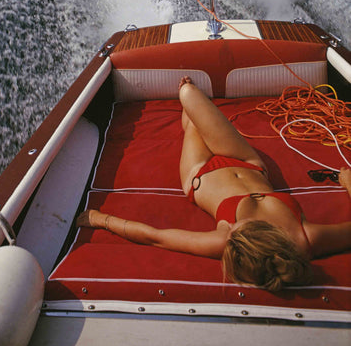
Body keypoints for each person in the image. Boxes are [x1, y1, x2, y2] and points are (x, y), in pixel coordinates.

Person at [78, 77, 351, 292]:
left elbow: (156, 237)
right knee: (189, 94)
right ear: (265, 238)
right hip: (247, 161)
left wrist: (101, 219)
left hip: (200, 173)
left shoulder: (226, 240)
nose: (232, 228)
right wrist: (348, 182)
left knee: (188, 101)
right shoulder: (306, 239)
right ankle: (192, 106)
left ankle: (190, 115)